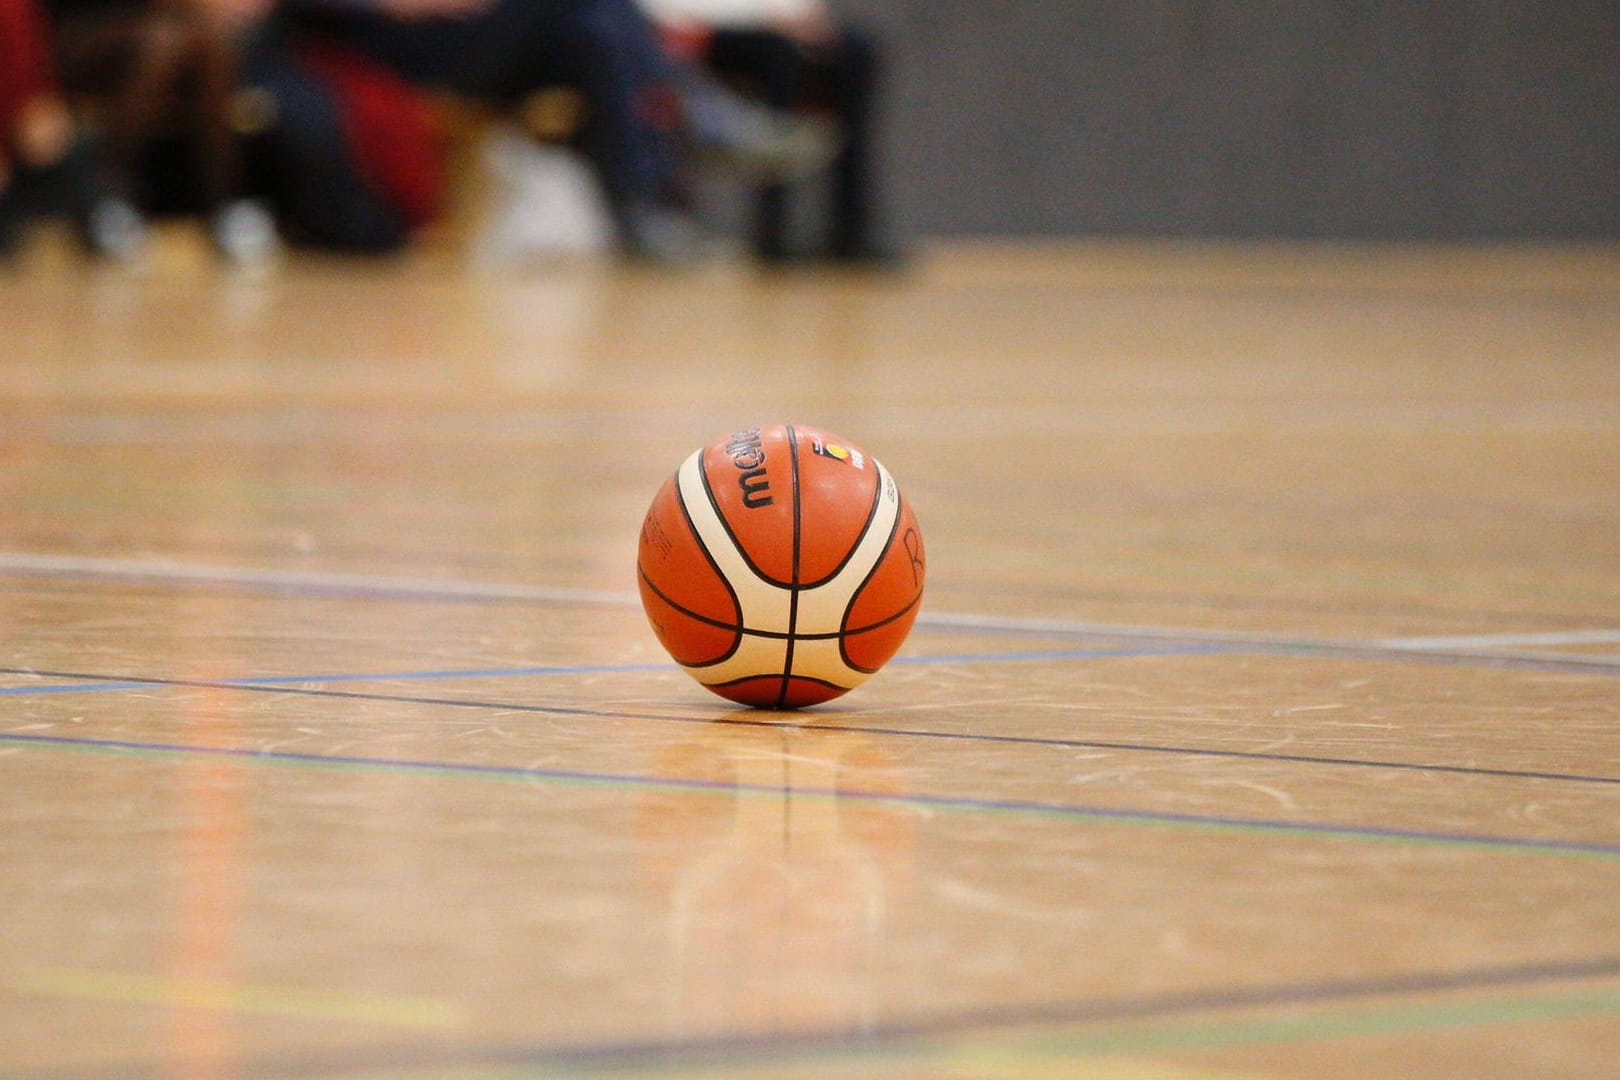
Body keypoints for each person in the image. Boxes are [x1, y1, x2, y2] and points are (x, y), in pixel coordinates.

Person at [277, 0, 832, 262]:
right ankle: (688, 133)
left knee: (593, 28)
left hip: (487, 36)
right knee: (585, 13)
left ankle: (666, 164)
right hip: (391, 47)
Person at [639, 0, 894, 265]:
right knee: (778, 53)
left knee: (856, 50)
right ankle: (772, 233)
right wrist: (764, 20)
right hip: (712, 33)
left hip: (782, 28)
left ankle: (852, 236)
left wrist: (804, 19)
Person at [47, 0, 280, 263]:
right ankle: (110, 195)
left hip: (178, 32)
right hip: (78, 30)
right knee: (165, 41)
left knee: (208, 46)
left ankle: (223, 204)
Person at [0, 0, 138, 258]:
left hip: (19, 135)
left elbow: (37, 68)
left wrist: (45, 106)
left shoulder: (19, 7)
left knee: (79, 145)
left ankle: (108, 218)